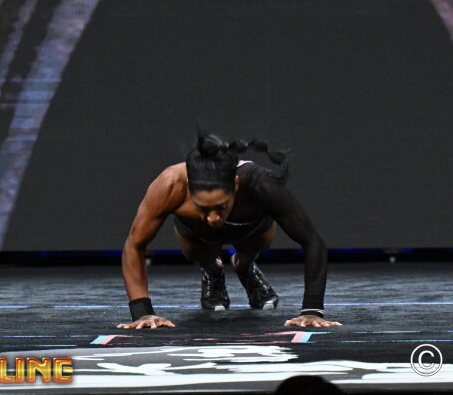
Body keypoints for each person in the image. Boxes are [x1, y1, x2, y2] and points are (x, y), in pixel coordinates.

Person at [118, 133, 340, 329]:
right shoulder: (169, 185)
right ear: (189, 189)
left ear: (234, 185)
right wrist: (142, 313)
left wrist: (312, 310)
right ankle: (212, 270)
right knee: (200, 255)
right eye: (203, 208)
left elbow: (312, 240)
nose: (213, 218)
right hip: (197, 235)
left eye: (221, 206)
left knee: (254, 248)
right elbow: (135, 244)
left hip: (251, 230)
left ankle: (245, 266)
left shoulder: (260, 183)